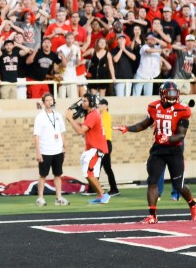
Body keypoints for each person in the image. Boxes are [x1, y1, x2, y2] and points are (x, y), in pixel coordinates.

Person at [114, 82, 196, 224]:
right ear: (162, 94)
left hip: (174, 150)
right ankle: (152, 215)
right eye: (169, 93)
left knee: (178, 185)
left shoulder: (183, 110)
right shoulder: (154, 107)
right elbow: (143, 124)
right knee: (152, 181)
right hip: (158, 149)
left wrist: (168, 138)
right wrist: (128, 128)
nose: (172, 96)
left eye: (174, 93)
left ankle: (193, 206)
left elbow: (181, 135)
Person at [65, 93, 111, 204]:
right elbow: (83, 126)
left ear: (91, 102)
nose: (83, 103)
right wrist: (73, 121)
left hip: (96, 148)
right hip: (92, 148)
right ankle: (101, 195)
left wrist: (70, 119)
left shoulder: (93, 114)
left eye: (85, 101)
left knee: (88, 172)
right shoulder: (91, 114)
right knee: (89, 173)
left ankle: (103, 195)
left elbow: (80, 131)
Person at [33, 93, 69, 206]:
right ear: (44, 103)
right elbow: (36, 135)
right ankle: (40, 198)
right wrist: (38, 151)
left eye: (51, 100)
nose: (49, 102)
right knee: (43, 175)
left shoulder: (58, 115)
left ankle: (58, 197)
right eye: (47, 100)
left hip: (57, 150)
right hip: (45, 150)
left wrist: (64, 147)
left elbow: (62, 132)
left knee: (58, 174)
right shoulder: (40, 117)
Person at [97, 99, 119, 196]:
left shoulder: (105, 116)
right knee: (103, 167)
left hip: (105, 143)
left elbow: (103, 131)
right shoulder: (101, 115)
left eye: (102, 104)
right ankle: (113, 189)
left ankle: (94, 188)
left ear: (106, 106)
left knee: (99, 167)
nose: (99, 106)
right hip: (103, 143)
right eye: (99, 104)